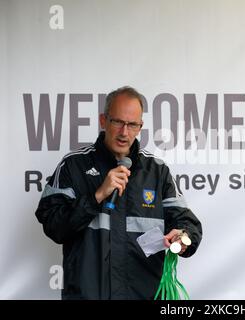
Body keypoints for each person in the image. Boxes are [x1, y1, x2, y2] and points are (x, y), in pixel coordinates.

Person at [35, 86, 202, 299]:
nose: (124, 132)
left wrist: (182, 236)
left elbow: (187, 224)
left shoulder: (157, 171)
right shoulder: (73, 165)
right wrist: (97, 196)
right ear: (103, 121)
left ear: (140, 126)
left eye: (132, 124)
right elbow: (53, 226)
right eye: (118, 122)